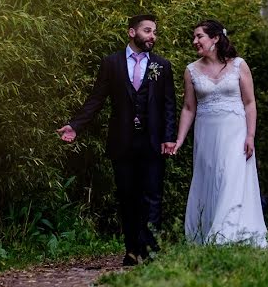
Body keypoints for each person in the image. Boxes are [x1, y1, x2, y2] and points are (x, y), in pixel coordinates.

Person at [56, 15, 177, 266]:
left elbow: (169, 106)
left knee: (152, 196)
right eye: (147, 30)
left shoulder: (162, 66)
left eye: (155, 32)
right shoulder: (110, 63)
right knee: (127, 196)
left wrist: (169, 138)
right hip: (122, 141)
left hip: (153, 142)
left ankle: (150, 250)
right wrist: (76, 126)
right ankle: (132, 250)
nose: (152, 36)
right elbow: (96, 99)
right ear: (132, 32)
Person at [172, 19, 268, 247]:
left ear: (215, 38)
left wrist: (250, 135)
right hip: (206, 135)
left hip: (235, 133)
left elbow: (250, 102)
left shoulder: (238, 65)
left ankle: (226, 235)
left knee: (231, 178)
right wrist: (179, 139)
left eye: (199, 36)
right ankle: (206, 231)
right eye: (194, 37)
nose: (195, 41)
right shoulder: (191, 70)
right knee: (210, 178)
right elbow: (188, 108)